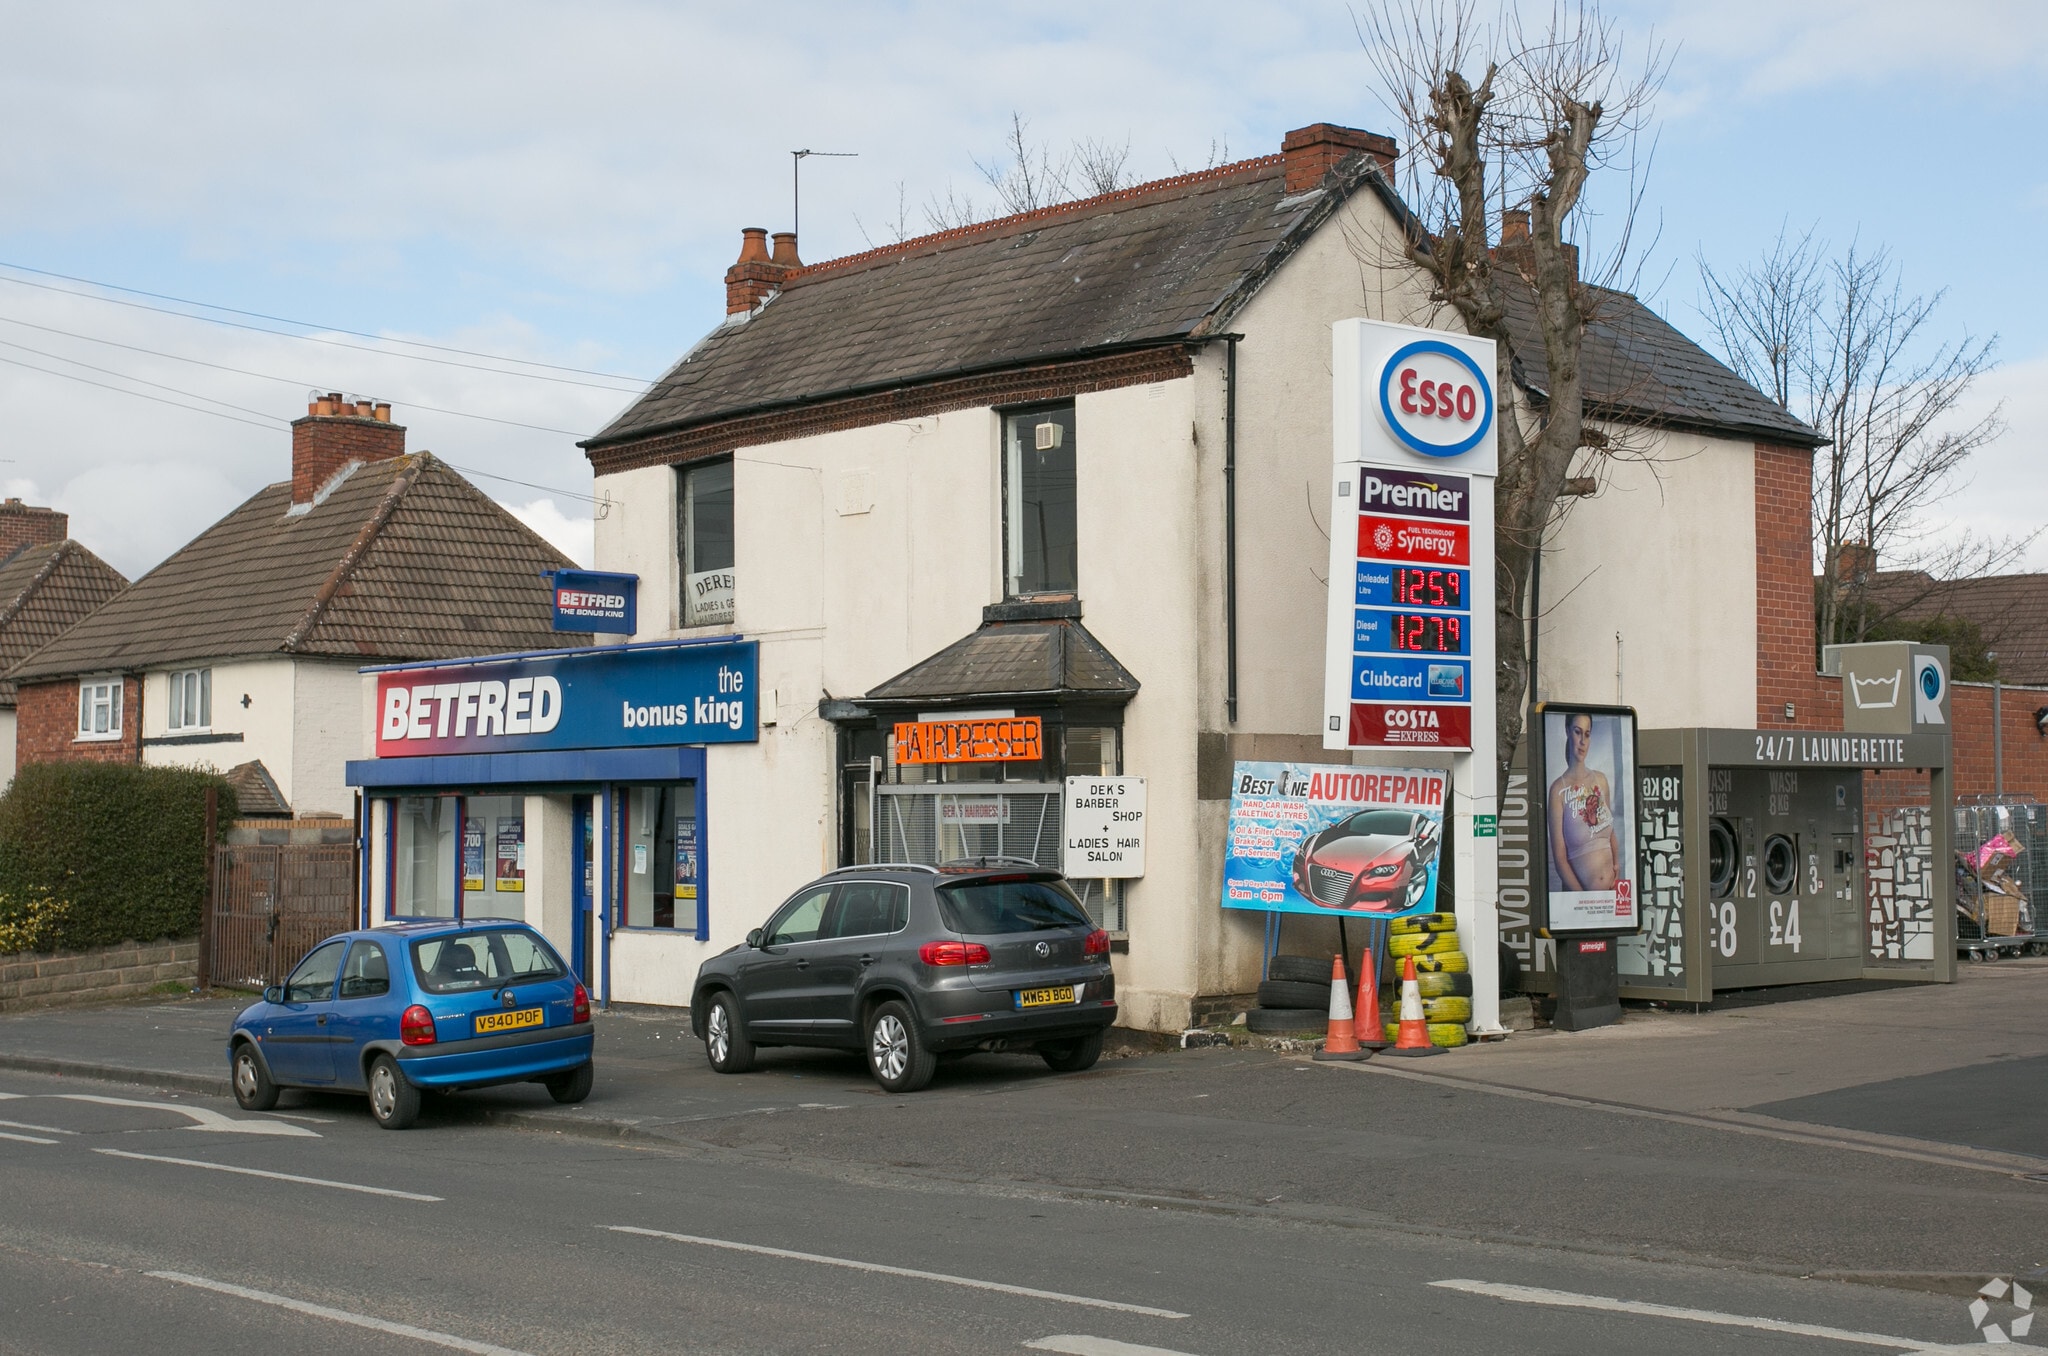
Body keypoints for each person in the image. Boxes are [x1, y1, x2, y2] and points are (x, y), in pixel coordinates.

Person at [1548, 713, 1619, 891]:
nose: (1582, 741)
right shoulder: (1558, 790)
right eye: (1577, 732)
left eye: (1587, 734)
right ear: (1567, 731)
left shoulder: (1601, 780)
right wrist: (1582, 899)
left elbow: (1610, 832)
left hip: (1612, 894)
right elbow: (1560, 859)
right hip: (1582, 898)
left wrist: (1617, 866)